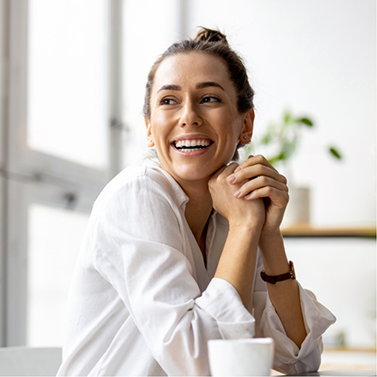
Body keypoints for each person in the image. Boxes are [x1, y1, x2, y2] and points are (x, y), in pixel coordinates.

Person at [57, 28, 336, 376]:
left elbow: (299, 358)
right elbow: (200, 364)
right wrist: (245, 227)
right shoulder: (138, 195)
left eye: (209, 99)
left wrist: (266, 232)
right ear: (148, 128)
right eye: (169, 101)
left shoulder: (230, 215)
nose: (188, 116)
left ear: (245, 125)